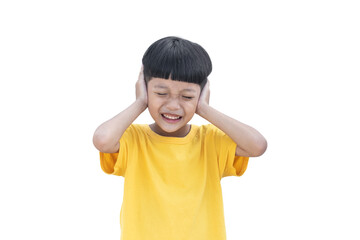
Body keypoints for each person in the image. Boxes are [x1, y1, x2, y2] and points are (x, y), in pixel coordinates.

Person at [93, 36, 267, 240]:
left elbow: (257, 145)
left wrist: (204, 109)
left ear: (201, 95)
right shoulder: (134, 139)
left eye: (187, 97)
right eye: (161, 93)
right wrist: (140, 102)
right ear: (145, 88)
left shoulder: (210, 141)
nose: (173, 106)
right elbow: (102, 140)